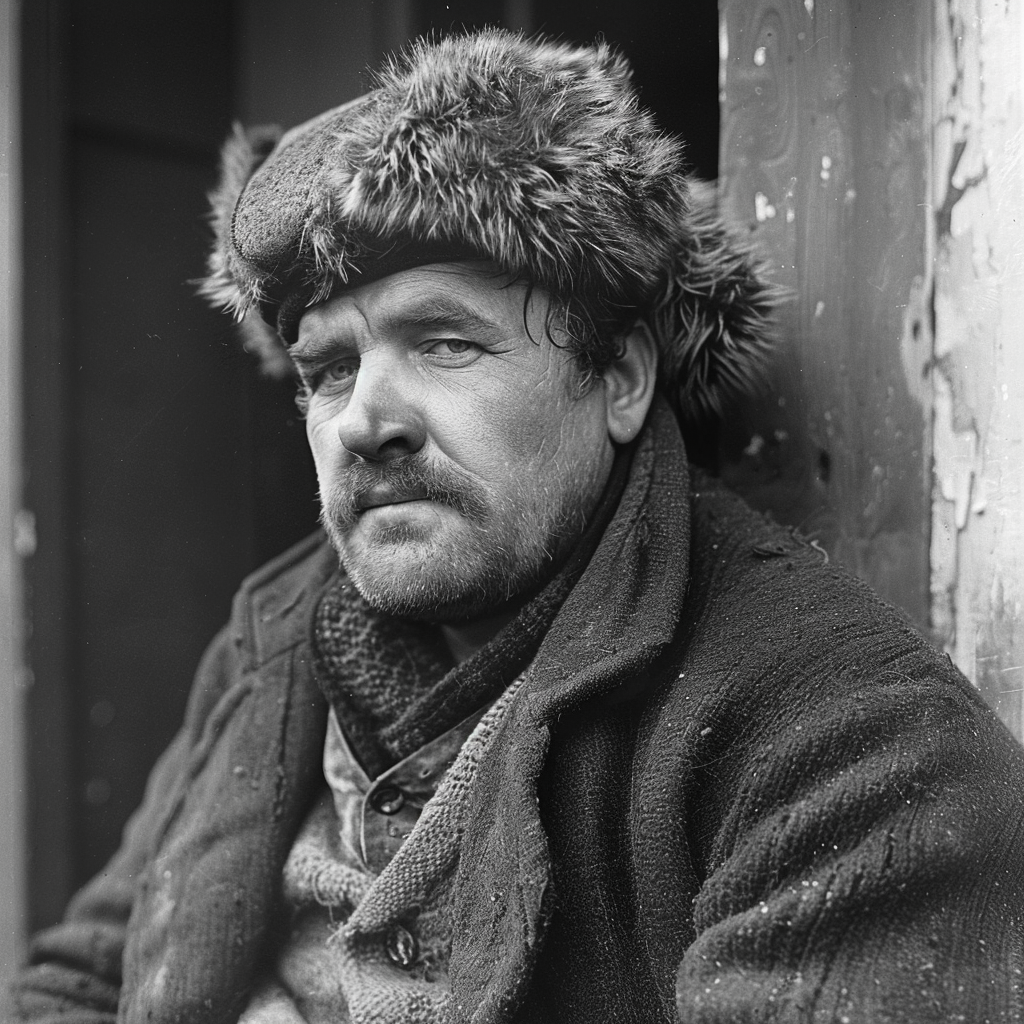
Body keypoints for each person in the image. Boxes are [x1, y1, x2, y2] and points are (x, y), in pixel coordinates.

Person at [12, 29, 1024, 1024]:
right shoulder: (266, 641)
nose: (365, 419)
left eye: (444, 341)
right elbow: (70, 981)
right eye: (328, 369)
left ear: (620, 377)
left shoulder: (855, 745)